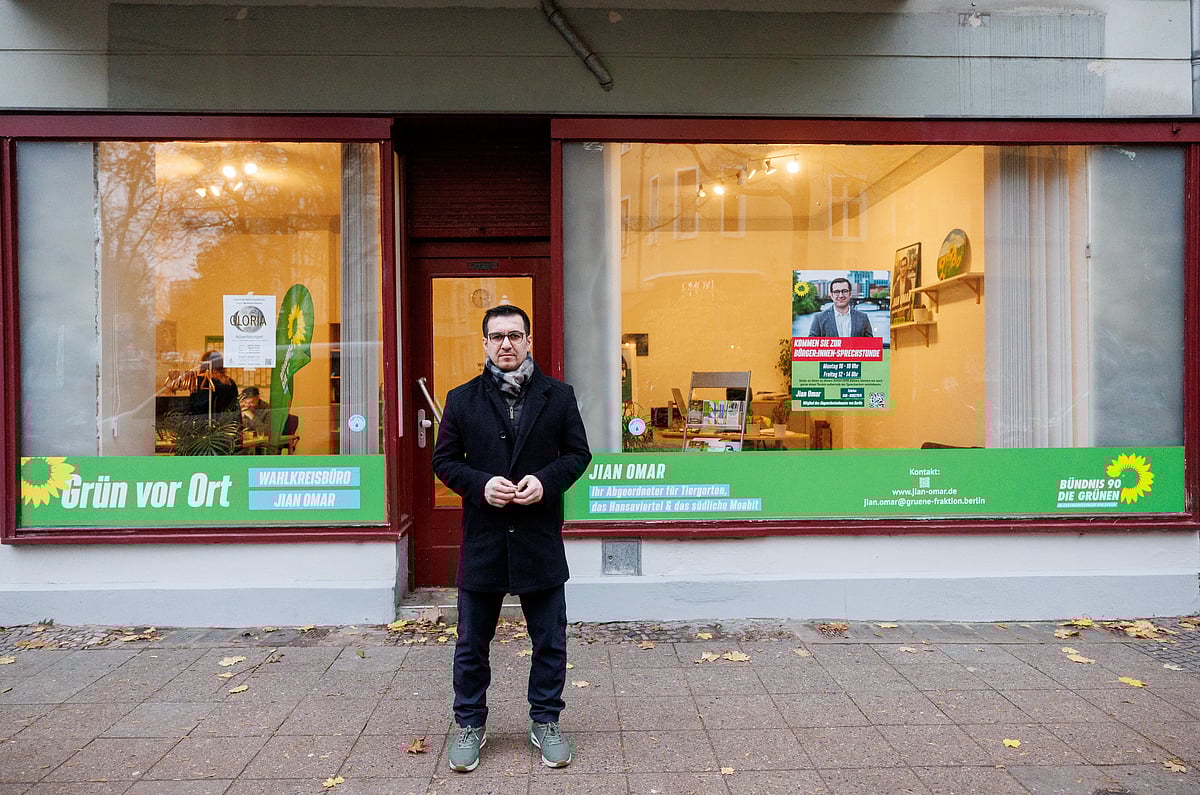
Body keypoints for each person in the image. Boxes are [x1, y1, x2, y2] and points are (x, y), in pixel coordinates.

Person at [432, 304, 592, 774]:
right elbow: (444, 461)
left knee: (550, 639)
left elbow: (577, 454)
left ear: (528, 342)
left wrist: (546, 481)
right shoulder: (461, 399)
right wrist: (480, 485)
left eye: (515, 335)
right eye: (497, 336)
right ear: (484, 344)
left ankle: (545, 721)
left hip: (538, 537)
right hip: (483, 538)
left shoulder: (558, 396)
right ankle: (469, 724)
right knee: (471, 642)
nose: (506, 343)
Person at [808, 277, 874, 337]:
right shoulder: (819, 318)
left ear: (850, 294)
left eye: (844, 291)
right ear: (831, 295)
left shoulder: (863, 318)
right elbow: (812, 346)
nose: (841, 295)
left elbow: (870, 345)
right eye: (836, 292)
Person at [188, 350, 240, 423]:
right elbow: (236, 407)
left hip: (206, 422)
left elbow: (197, 406)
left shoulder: (201, 380)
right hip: (228, 424)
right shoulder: (230, 382)